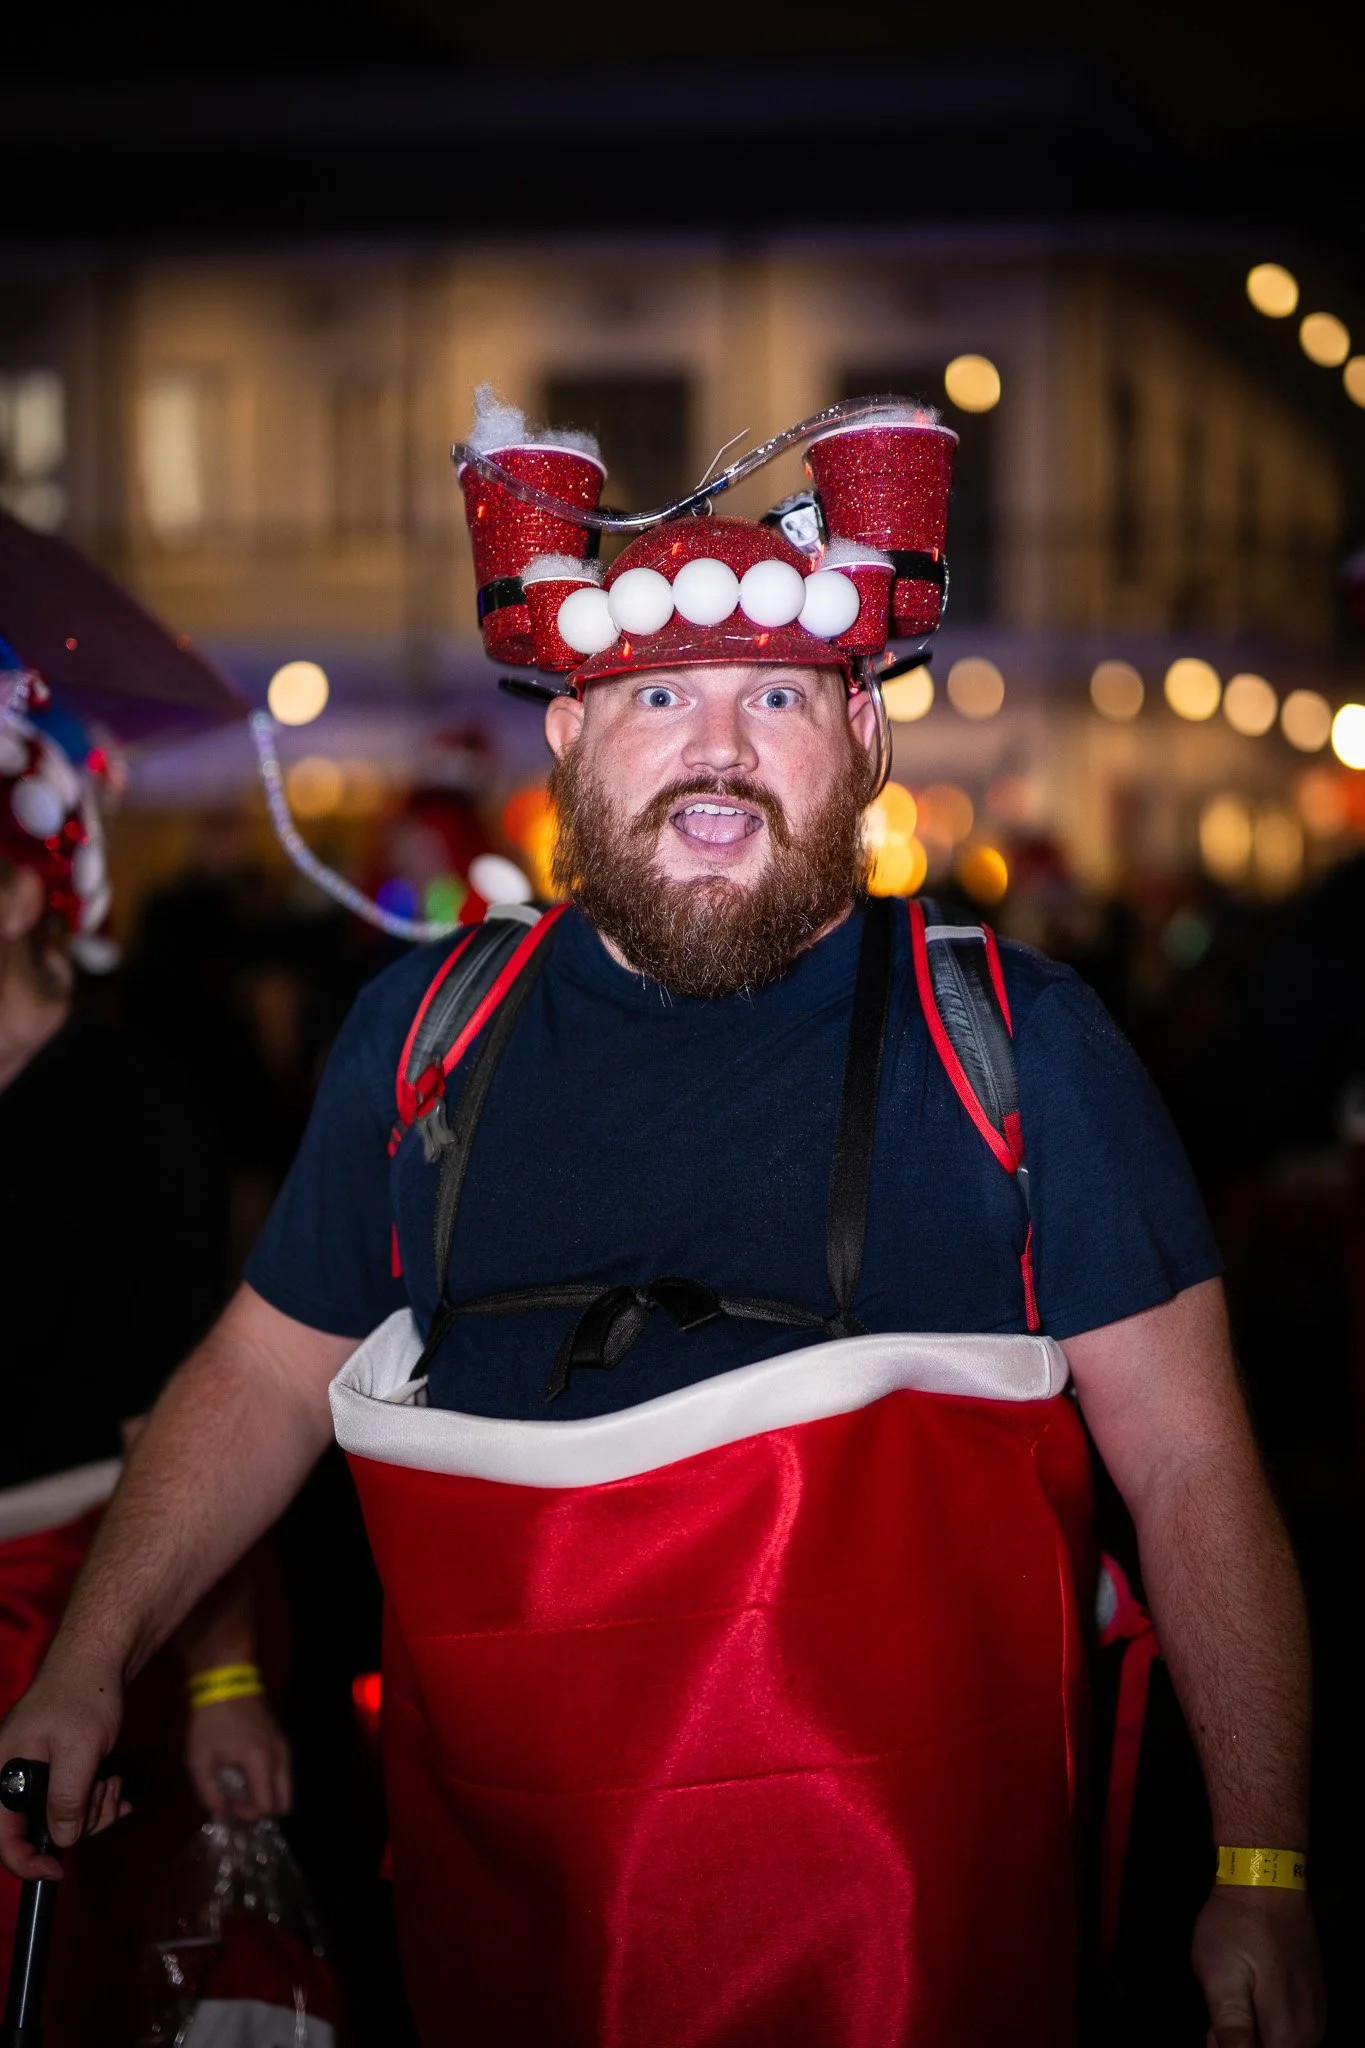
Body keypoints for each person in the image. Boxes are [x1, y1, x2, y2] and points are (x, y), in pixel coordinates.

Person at [0, 405, 1324, 2048]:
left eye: (773, 694)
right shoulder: (425, 1042)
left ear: (862, 734)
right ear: (568, 738)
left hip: (918, 1959)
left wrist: (1263, 1862)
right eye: (656, 696)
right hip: (507, 1932)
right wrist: (90, 1658)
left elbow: (1193, 1466)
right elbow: (260, 1381)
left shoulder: (1019, 1046)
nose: (717, 747)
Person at [0, 687, 290, 2020]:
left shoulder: (126, 1112)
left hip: (55, 1610)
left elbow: (192, 1426)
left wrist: (222, 1685)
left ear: (21, 900)